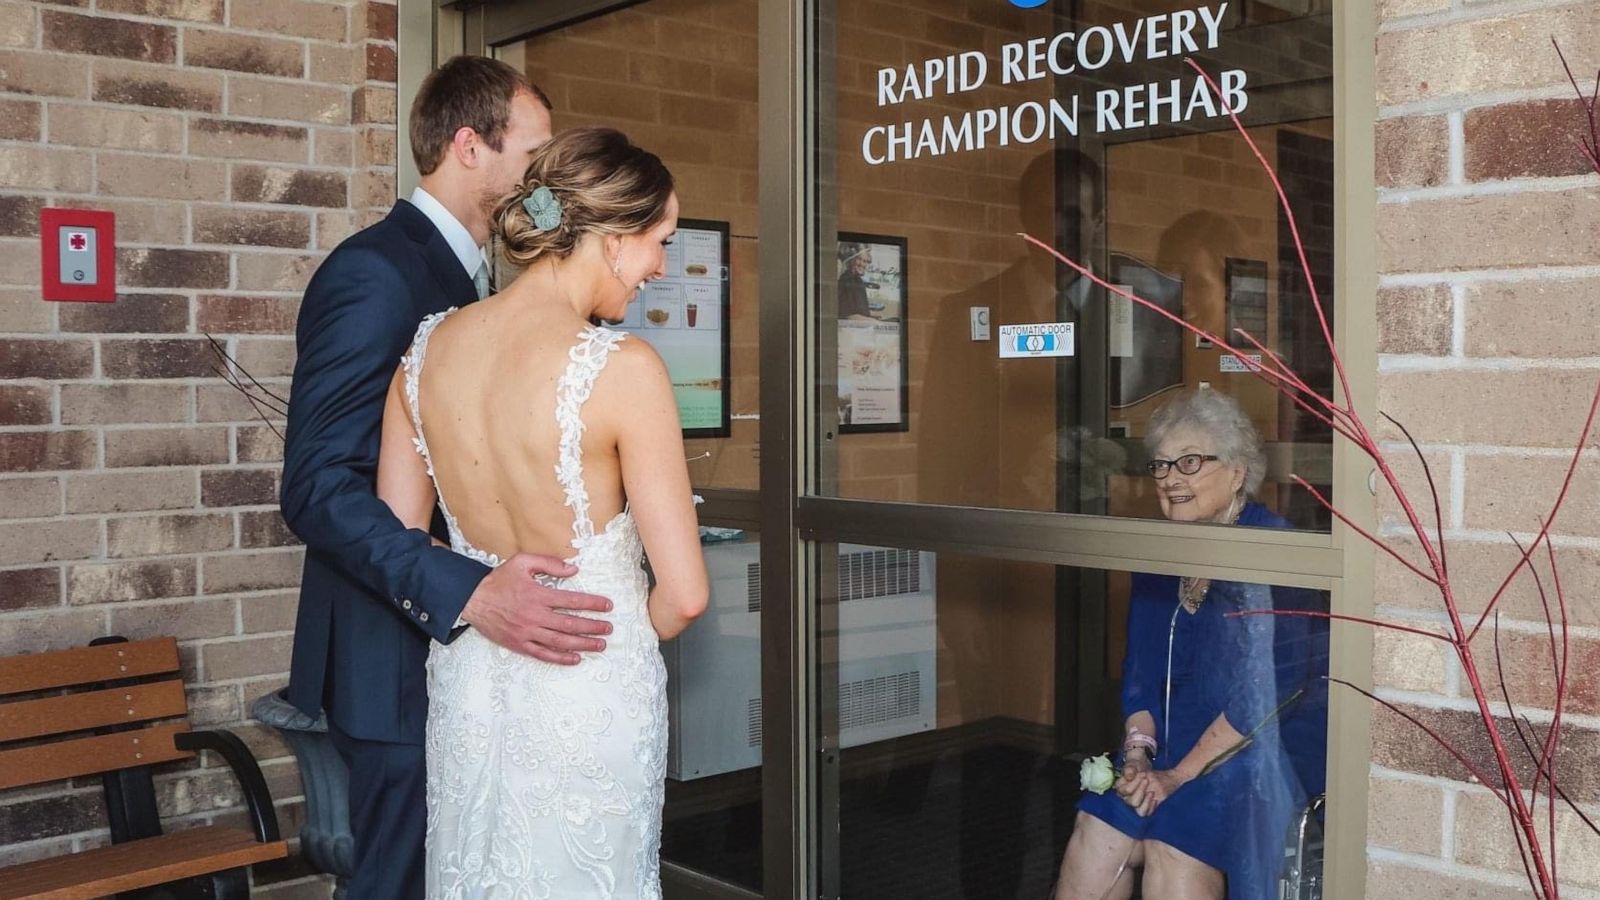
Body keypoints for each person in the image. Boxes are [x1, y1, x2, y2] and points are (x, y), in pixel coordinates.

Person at [281, 57, 615, 900]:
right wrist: (467, 591)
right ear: (469, 145)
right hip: (390, 662)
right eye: (532, 155)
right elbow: (317, 486)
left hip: (465, 667)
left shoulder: (477, 283)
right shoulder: (375, 274)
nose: (542, 180)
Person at [376, 126, 709, 898]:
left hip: (467, 680)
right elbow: (685, 594)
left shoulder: (423, 354)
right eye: (659, 241)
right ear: (612, 236)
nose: (661, 268)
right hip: (588, 685)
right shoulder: (625, 370)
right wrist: (615, 644)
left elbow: (396, 544)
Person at [1053, 390, 1328, 900]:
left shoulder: (1273, 551)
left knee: (1173, 842)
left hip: (1265, 745)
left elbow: (1274, 688)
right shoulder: (1162, 553)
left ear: (1238, 470)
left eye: (1191, 461)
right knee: (1097, 831)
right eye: (1161, 465)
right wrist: (1138, 755)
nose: (1171, 478)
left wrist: (1176, 776)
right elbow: (1140, 672)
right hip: (1175, 741)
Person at [838, 241, 874, 319]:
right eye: (859, 259)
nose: (862, 264)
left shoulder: (858, 280)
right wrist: (878, 324)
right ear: (850, 260)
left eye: (865, 261)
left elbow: (862, 313)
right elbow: (850, 316)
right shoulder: (847, 280)